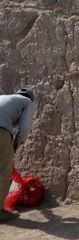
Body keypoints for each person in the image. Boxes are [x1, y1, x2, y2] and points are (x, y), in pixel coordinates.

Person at [0, 87, 35, 223]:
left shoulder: (5, 98)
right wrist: (17, 142)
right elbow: (25, 127)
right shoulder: (27, 102)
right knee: (3, 172)